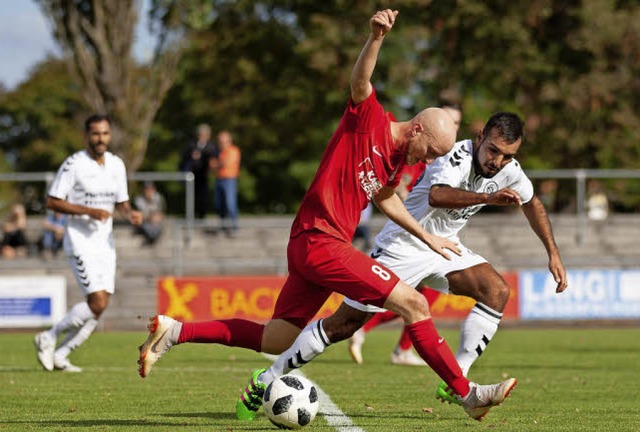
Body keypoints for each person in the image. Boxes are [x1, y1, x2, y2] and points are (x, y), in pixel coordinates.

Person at [138, 9, 516, 423]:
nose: (427, 161)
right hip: (321, 240)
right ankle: (468, 394)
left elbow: (387, 200)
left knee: (275, 337)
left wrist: (429, 239)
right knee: (413, 305)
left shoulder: (392, 163)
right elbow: (360, 82)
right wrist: (375, 38)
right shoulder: (369, 121)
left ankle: (174, 331)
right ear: (418, 131)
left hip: (312, 245)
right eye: (430, 153)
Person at [262, 111, 567, 409]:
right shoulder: (454, 155)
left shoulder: (508, 170)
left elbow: (533, 203)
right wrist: (489, 198)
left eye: (507, 156)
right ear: (479, 138)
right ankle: (269, 377)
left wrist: (552, 253)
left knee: (496, 291)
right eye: (493, 151)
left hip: (445, 247)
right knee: (343, 326)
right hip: (403, 246)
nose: (497, 162)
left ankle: (456, 380)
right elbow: (438, 195)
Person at [350, 102, 464, 366]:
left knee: (418, 299)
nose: (453, 127)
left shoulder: (447, 157)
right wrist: (403, 196)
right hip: (411, 235)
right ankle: (372, 335)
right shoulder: (420, 152)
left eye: (457, 123)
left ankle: (371, 334)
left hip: (430, 235)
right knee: (407, 298)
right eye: (449, 122)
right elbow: (396, 183)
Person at [34, 114, 142, 372]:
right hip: (80, 241)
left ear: (110, 135)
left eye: (105, 133)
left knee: (99, 307)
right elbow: (52, 201)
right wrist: (89, 211)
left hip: (105, 243)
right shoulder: (74, 164)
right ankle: (48, 337)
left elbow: (121, 202)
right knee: (97, 302)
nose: (100, 138)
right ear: (86, 136)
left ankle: (61, 353)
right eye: (95, 134)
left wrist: (130, 213)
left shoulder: (116, 164)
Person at [179, 124, 217, 219]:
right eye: (201, 134)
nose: (202, 136)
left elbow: (214, 159)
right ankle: (190, 216)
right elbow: (183, 160)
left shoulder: (211, 146)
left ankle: (201, 217)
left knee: (202, 197)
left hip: (203, 175)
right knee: (190, 196)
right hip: (191, 175)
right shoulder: (191, 145)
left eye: (204, 134)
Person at [210, 130, 241, 236]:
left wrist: (217, 164)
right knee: (219, 205)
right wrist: (218, 164)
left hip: (229, 180)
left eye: (223, 141)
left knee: (230, 204)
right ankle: (222, 227)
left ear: (229, 141)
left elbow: (225, 163)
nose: (222, 143)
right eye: (220, 141)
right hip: (219, 179)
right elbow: (212, 165)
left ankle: (234, 227)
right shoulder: (219, 152)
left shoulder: (233, 150)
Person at [133, 181, 166, 245]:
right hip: (143, 223)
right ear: (143, 190)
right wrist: (149, 217)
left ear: (154, 189)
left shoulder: (159, 198)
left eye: (150, 189)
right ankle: (150, 239)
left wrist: (155, 217)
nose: (148, 191)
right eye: (146, 189)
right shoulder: (138, 200)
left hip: (155, 223)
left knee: (156, 227)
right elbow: (138, 215)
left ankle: (151, 240)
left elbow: (161, 214)